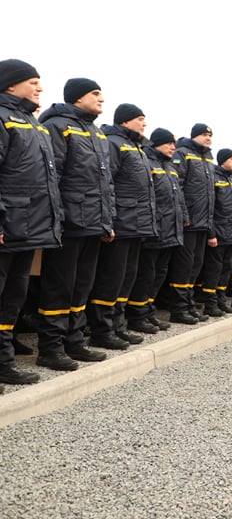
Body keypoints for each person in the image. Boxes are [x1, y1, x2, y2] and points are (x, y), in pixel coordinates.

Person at [35, 77, 114, 370]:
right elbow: (51, 177)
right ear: (77, 97)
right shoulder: (59, 126)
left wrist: (107, 222)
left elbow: (105, 182)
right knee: (60, 286)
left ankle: (74, 340)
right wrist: (56, 218)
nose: (101, 99)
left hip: (93, 222)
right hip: (69, 222)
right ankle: (50, 347)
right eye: (95, 93)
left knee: (82, 286)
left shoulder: (94, 131)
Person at [0, 59, 63, 388]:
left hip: (28, 226)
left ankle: (4, 362)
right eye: (32, 82)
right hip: (7, 225)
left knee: (14, 296)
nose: (39, 88)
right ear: (11, 85)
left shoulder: (33, 123)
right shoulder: (2, 118)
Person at [87, 103, 157, 347]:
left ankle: (118, 325)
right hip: (122, 223)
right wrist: (110, 221)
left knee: (127, 277)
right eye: (140, 119)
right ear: (125, 121)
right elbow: (108, 184)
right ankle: (101, 331)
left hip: (136, 224)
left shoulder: (137, 147)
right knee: (111, 278)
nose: (144, 123)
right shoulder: (114, 143)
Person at [127, 128, 187, 332]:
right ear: (157, 143)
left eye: (174, 144)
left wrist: (183, 217)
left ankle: (148, 310)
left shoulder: (170, 167)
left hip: (171, 229)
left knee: (159, 274)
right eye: (169, 143)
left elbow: (178, 197)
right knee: (146, 274)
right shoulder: (148, 162)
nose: (173, 147)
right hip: (155, 229)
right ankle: (136, 315)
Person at [158, 123, 216, 322]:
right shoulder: (182, 154)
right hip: (189, 222)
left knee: (195, 266)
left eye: (210, 135)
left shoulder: (207, 157)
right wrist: (184, 215)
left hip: (203, 222)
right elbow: (177, 186)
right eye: (204, 134)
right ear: (194, 136)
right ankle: (178, 308)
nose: (208, 138)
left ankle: (189, 304)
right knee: (184, 266)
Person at [195, 149, 232, 317]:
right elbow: (210, 210)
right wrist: (211, 234)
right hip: (219, 234)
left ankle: (221, 301)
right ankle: (210, 304)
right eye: (231, 159)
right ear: (222, 161)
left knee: (225, 269)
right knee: (213, 270)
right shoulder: (214, 178)